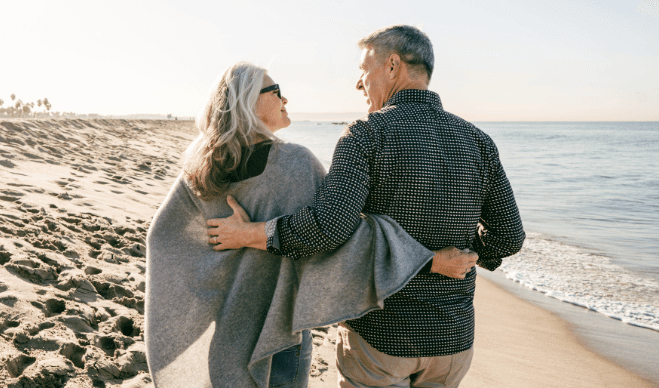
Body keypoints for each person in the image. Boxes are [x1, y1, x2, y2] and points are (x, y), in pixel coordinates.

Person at [206, 26, 525, 388]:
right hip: (453, 341)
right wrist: (467, 256)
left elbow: (329, 228)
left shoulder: (366, 134)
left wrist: (251, 233)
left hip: (382, 337)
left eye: (363, 69)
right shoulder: (479, 141)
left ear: (392, 67)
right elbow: (509, 237)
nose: (359, 83)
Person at [144, 61, 477, 388]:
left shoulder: (201, 167)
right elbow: (342, 236)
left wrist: (223, 262)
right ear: (248, 101)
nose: (285, 99)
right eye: (275, 91)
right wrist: (429, 259)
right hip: (276, 335)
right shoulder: (293, 164)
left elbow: (162, 239)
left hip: (225, 331)